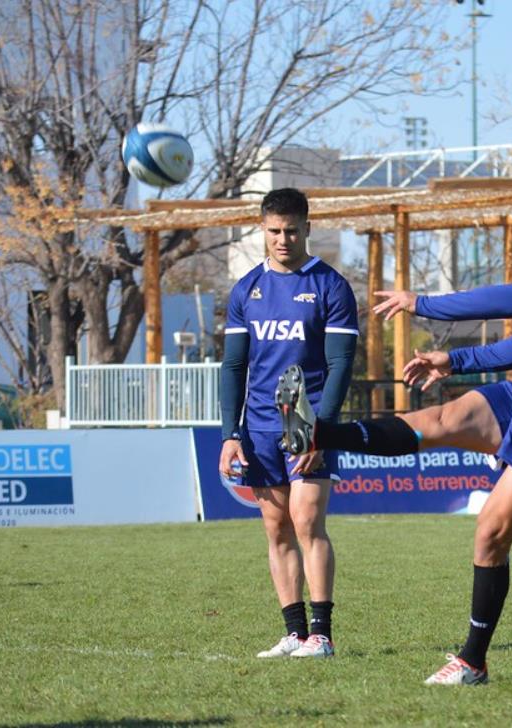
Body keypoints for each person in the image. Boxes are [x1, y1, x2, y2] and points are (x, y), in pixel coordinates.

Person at [276, 176, 512, 685]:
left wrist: (424, 303)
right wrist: (457, 360)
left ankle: (473, 661)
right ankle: (320, 435)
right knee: (439, 420)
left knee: (489, 534)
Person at [218, 188, 359, 659]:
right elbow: (233, 366)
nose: (283, 239)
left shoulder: (331, 286)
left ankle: (322, 634)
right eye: (275, 231)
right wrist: (229, 434)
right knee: (276, 529)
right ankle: (294, 633)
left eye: (292, 231)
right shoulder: (247, 290)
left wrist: (322, 430)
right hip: (258, 428)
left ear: (307, 229)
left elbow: (340, 364)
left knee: (307, 522)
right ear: (263, 229)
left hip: (307, 424)